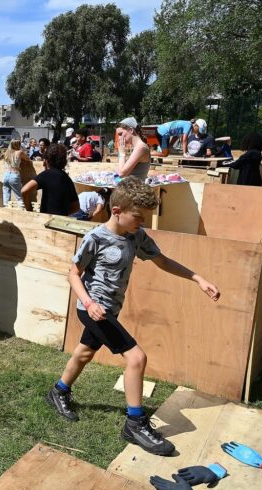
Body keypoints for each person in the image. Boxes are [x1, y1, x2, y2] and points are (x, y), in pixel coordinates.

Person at [46, 177, 220, 456]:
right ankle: (135, 423)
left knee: (85, 353)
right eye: (139, 217)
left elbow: (162, 261)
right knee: (137, 358)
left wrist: (197, 278)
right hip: (94, 310)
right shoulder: (96, 238)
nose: (144, 223)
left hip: (110, 309)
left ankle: (59, 391)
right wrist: (89, 302)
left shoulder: (135, 236)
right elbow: (73, 273)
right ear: (117, 211)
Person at [21, 143, 79, 215]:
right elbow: (76, 206)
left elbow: (24, 191)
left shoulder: (46, 174)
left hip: (46, 219)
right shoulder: (67, 178)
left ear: (47, 160)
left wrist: (29, 210)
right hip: (62, 221)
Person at [1, 140, 29, 207]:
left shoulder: (6, 153)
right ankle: (21, 212)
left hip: (5, 175)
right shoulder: (19, 152)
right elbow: (28, 159)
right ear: (18, 145)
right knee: (19, 196)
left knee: (5, 197)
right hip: (14, 174)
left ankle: (5, 212)